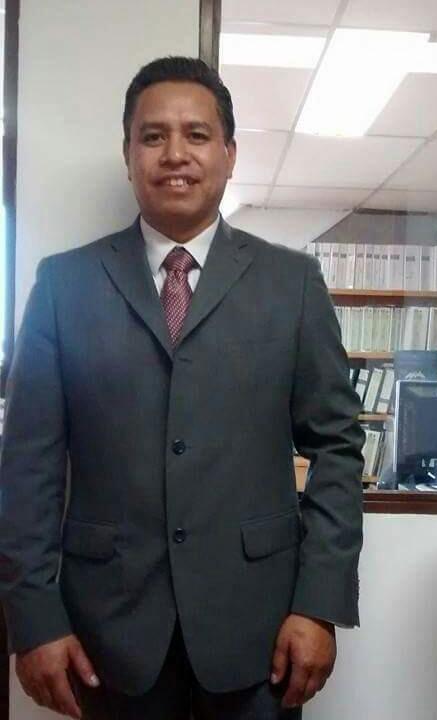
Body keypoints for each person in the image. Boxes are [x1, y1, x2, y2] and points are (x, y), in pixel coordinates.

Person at [0, 56, 364, 720]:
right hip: (106, 633)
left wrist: (319, 603)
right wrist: (32, 619)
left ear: (228, 154)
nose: (175, 154)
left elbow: (337, 447)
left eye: (197, 135)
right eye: (153, 136)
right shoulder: (63, 285)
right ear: (128, 155)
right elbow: (27, 466)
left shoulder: (291, 285)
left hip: (259, 630)